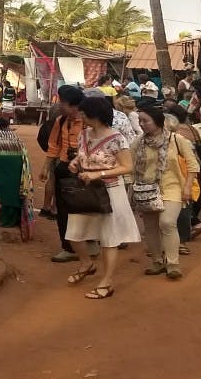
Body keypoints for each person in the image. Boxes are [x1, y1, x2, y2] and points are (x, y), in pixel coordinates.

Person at [63, 95, 140, 299]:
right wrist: (76, 163)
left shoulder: (117, 138)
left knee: (109, 239)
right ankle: (86, 263)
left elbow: (127, 166)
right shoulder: (84, 134)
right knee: (74, 234)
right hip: (85, 189)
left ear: (93, 114)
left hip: (109, 191)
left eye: (83, 112)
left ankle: (107, 281)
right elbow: (82, 156)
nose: (80, 115)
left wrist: (99, 174)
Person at [132, 107, 199, 280]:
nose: (141, 124)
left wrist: (187, 187)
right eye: (140, 120)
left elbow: (193, 166)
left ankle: (173, 264)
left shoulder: (177, 140)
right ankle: (156, 261)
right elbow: (129, 164)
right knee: (151, 227)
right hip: (146, 188)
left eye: (145, 120)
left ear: (158, 121)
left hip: (172, 187)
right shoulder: (138, 142)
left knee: (167, 222)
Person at [39, 85, 86, 263]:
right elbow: (53, 146)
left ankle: (87, 243)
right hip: (64, 168)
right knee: (64, 209)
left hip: (85, 171)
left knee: (85, 208)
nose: (60, 106)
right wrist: (46, 167)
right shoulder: (60, 121)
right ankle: (68, 247)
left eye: (63, 103)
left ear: (75, 105)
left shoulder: (88, 122)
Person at [166, 105, 201, 247]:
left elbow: (192, 162)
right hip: (189, 175)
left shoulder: (179, 139)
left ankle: (180, 241)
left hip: (183, 177)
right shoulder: (192, 129)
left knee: (180, 210)